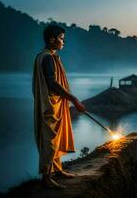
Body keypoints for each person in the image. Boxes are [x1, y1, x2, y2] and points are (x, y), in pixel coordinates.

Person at [32, 24, 85, 189]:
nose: (63, 42)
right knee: (50, 141)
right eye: (62, 39)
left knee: (57, 136)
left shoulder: (50, 56)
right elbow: (52, 83)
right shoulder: (47, 57)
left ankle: (58, 169)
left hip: (56, 103)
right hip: (49, 105)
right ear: (52, 39)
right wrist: (74, 99)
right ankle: (46, 179)